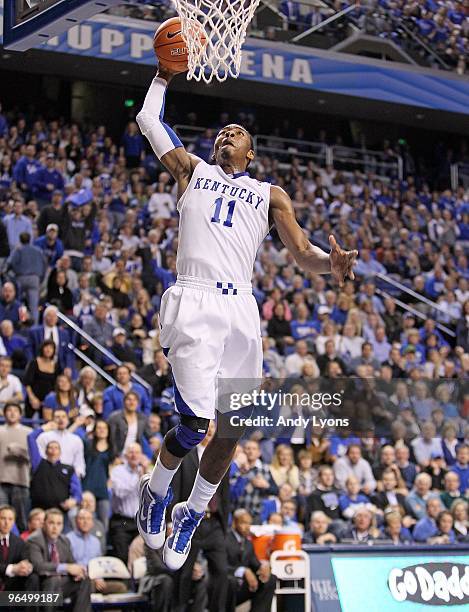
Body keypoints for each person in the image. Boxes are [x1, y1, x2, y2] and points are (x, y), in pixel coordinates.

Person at [135, 65, 357, 570]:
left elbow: (302, 252)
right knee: (194, 426)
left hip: (240, 309)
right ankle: (156, 490)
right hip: (195, 301)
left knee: (232, 426)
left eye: (237, 133)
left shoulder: (269, 194)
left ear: (251, 154)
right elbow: (150, 118)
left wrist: (332, 264)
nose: (225, 133)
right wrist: (163, 77)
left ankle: (192, 511)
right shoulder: (193, 171)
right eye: (222, 131)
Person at [169, 421, 230, 612]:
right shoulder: (187, 455)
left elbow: (225, 493)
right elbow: (177, 487)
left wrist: (224, 521)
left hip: (214, 523)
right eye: (208, 427)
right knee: (184, 574)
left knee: (221, 571)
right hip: (189, 522)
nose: (211, 430)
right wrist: (173, 521)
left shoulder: (223, 456)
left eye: (214, 428)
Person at [26, 508, 92, 612]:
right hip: (40, 587)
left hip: (60, 585)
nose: (55, 527)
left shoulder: (64, 540)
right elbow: (38, 566)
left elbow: (71, 562)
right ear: (44, 524)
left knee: (85, 580)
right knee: (53, 579)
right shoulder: (34, 540)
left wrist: (78, 572)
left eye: (59, 524)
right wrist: (66, 568)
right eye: (51, 523)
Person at [225, 509, 276, 612]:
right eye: (243, 523)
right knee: (232, 582)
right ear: (234, 523)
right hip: (227, 584)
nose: (247, 527)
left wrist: (264, 568)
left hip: (244, 586)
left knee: (270, 579)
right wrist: (243, 571)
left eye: (249, 523)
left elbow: (255, 563)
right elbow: (219, 566)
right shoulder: (224, 539)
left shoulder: (248, 543)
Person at [28, 423, 82, 514]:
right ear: (45, 451)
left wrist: (74, 500)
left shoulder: (69, 469)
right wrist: (43, 428)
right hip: (39, 511)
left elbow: (77, 492)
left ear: (60, 452)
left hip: (60, 513)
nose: (53, 450)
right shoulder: (38, 463)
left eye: (56, 448)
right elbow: (31, 437)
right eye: (50, 448)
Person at [109, 443, 148, 564]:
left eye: (137, 452)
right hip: (122, 521)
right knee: (122, 557)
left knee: (140, 559)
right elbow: (120, 492)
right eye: (131, 452)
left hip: (140, 522)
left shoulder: (148, 471)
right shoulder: (117, 471)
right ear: (125, 455)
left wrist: (145, 475)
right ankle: (124, 583)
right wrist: (139, 477)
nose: (134, 455)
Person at [0, 403, 32, 531]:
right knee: (1, 519)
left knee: (22, 520)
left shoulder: (29, 433)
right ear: (4, 413)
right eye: (9, 410)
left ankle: (23, 548)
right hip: (1, 481)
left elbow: (34, 457)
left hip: (20, 481)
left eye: (15, 410)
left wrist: (19, 451)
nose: (12, 413)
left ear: (20, 414)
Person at [6, 232, 46, 324]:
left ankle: (20, 323)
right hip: (34, 279)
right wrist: (40, 279)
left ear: (20, 240)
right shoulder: (38, 250)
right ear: (30, 239)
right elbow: (44, 265)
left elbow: (10, 263)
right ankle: (34, 326)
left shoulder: (18, 250)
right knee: (34, 306)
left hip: (21, 278)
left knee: (19, 304)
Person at [35, 409, 86, 478]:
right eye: (57, 417)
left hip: (69, 478)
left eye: (64, 416)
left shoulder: (76, 440)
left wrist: (76, 476)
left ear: (68, 420)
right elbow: (41, 458)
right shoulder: (44, 437)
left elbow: (79, 462)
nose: (61, 419)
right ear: (52, 420)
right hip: (49, 476)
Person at [82, 420, 111, 531]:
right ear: (94, 431)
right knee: (85, 521)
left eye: (104, 428)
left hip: (103, 491)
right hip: (87, 489)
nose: (102, 430)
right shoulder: (87, 445)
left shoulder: (112, 449)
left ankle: (101, 548)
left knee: (104, 524)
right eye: (99, 427)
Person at [0, 505, 36, 592]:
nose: (6, 522)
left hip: (12, 585)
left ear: (14, 522)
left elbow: (25, 559)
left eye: (10, 519)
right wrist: (12, 569)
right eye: (3, 518)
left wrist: (26, 567)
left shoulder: (19, 542)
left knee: (33, 578)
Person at [23, 339, 61, 419]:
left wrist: (50, 400)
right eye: (46, 347)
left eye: (51, 348)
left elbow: (57, 385)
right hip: (33, 400)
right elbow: (27, 383)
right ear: (42, 348)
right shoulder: (33, 363)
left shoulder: (57, 366)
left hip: (49, 401)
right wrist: (32, 398)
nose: (48, 350)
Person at [108, 391, 148, 459]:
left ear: (138, 403)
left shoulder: (142, 418)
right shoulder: (114, 417)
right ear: (124, 402)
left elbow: (150, 435)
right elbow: (111, 439)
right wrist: (115, 457)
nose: (132, 402)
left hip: (134, 456)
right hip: (117, 456)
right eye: (129, 399)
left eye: (134, 400)